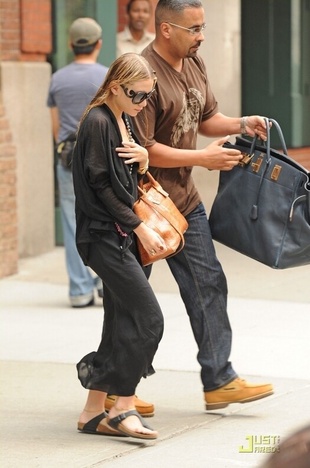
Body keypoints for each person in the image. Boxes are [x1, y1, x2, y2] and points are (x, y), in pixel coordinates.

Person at [132, 0, 274, 410]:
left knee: (208, 283)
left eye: (203, 27)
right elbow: (142, 149)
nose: (201, 36)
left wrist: (240, 123)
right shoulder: (144, 74)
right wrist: (202, 158)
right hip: (144, 207)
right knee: (133, 300)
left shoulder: (193, 63)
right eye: (194, 29)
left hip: (185, 202)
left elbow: (205, 117)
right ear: (166, 30)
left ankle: (219, 379)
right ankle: (114, 388)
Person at [72, 53, 164, 439]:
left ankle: (93, 412)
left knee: (121, 321)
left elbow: (128, 183)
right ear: (115, 87)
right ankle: (122, 405)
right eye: (137, 95)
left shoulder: (124, 118)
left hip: (121, 236)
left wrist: (143, 161)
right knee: (149, 320)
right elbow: (101, 187)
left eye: (148, 96)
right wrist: (139, 227)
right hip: (104, 236)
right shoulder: (98, 122)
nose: (143, 103)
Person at [47, 18, 108, 308]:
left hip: (68, 158)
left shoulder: (57, 78)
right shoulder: (107, 76)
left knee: (73, 224)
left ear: (71, 45)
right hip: (100, 160)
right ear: (99, 44)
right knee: (106, 221)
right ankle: (105, 282)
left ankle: (80, 290)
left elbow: (55, 125)